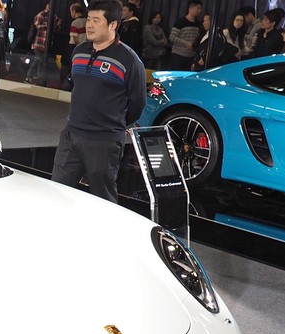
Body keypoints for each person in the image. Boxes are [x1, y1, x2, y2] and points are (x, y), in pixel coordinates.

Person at [51, 0, 146, 204]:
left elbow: (137, 103)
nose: (89, 25)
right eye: (89, 20)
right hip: (72, 135)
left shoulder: (129, 60)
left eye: (96, 20)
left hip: (104, 141)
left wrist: (114, 123)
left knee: (103, 201)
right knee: (57, 192)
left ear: (113, 25)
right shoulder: (79, 52)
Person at [25, 2, 61, 85]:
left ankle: (40, 79)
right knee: (38, 60)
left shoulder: (54, 16)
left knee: (43, 61)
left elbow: (57, 28)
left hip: (47, 44)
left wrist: (55, 25)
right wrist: (49, 25)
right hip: (39, 43)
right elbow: (37, 25)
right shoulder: (41, 14)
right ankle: (29, 76)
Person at [168, 0, 202, 70]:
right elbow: (172, 37)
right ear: (190, 8)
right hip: (178, 55)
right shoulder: (180, 22)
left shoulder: (198, 24)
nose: (199, 11)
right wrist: (185, 43)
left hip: (190, 57)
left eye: (200, 9)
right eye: (198, 8)